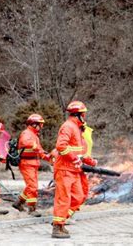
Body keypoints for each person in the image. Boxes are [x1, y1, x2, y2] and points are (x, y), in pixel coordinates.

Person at [51, 101, 88, 239]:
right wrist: (73, 158)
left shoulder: (76, 128)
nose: (85, 116)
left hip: (73, 170)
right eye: (84, 113)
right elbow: (61, 146)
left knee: (79, 196)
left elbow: (77, 151)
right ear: (78, 114)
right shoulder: (68, 126)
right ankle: (57, 227)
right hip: (65, 169)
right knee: (63, 198)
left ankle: (60, 221)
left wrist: (87, 160)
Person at [12, 114, 52, 217]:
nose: (41, 127)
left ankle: (18, 203)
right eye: (40, 125)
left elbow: (39, 150)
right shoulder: (26, 133)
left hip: (33, 163)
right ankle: (32, 209)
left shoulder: (34, 135)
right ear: (34, 124)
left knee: (30, 186)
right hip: (27, 164)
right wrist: (35, 147)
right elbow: (25, 142)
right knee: (33, 187)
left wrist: (47, 157)